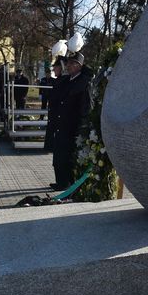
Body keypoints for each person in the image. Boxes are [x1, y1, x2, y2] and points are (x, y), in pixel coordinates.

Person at [49, 51, 92, 191]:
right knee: (58, 158)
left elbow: (85, 107)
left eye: (73, 63)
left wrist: (80, 128)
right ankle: (60, 182)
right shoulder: (67, 80)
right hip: (61, 126)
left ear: (79, 66)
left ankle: (66, 184)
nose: (69, 66)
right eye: (68, 63)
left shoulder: (83, 82)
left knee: (67, 158)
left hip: (71, 127)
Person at [44, 58, 65, 152]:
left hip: (57, 112)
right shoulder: (57, 80)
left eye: (55, 67)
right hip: (53, 111)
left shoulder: (63, 81)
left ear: (61, 68)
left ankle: (52, 147)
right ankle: (50, 146)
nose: (53, 70)